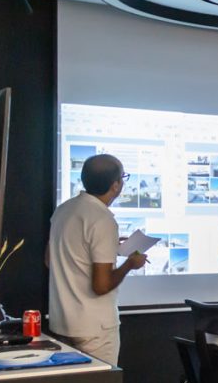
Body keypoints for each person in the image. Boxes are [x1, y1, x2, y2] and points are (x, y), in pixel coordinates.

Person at [47, 154, 146, 365]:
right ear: (116, 185)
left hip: (62, 324)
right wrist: (130, 264)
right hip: (94, 330)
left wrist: (110, 245)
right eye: (123, 178)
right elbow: (101, 286)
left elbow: (50, 260)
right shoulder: (102, 219)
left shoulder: (64, 210)